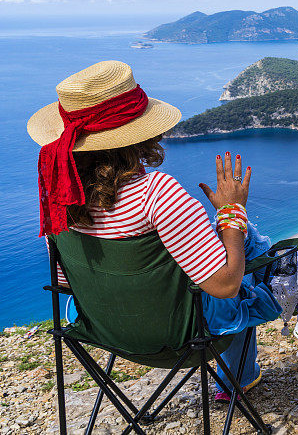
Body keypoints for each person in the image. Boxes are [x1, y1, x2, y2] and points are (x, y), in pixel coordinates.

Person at [28, 60, 281, 401]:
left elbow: (62, 282)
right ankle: (239, 374)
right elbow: (225, 286)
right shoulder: (156, 194)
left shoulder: (58, 194)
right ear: (142, 132)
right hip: (181, 338)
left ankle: (243, 370)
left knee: (240, 244)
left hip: (102, 330)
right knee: (251, 248)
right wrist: (230, 213)